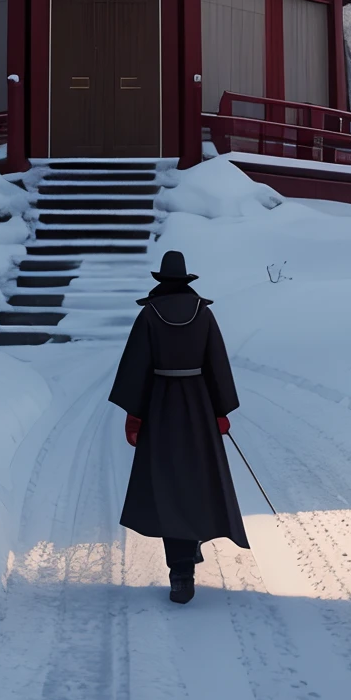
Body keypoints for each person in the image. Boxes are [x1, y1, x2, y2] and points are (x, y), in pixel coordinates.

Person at [109, 249, 249, 603]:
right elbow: (217, 363)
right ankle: (189, 552)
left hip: (160, 408)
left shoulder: (148, 316)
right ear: (187, 280)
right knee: (196, 481)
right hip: (199, 408)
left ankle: (181, 573)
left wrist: (135, 415)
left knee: (167, 484)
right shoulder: (204, 314)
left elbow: (136, 367)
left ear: (161, 281)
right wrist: (220, 410)